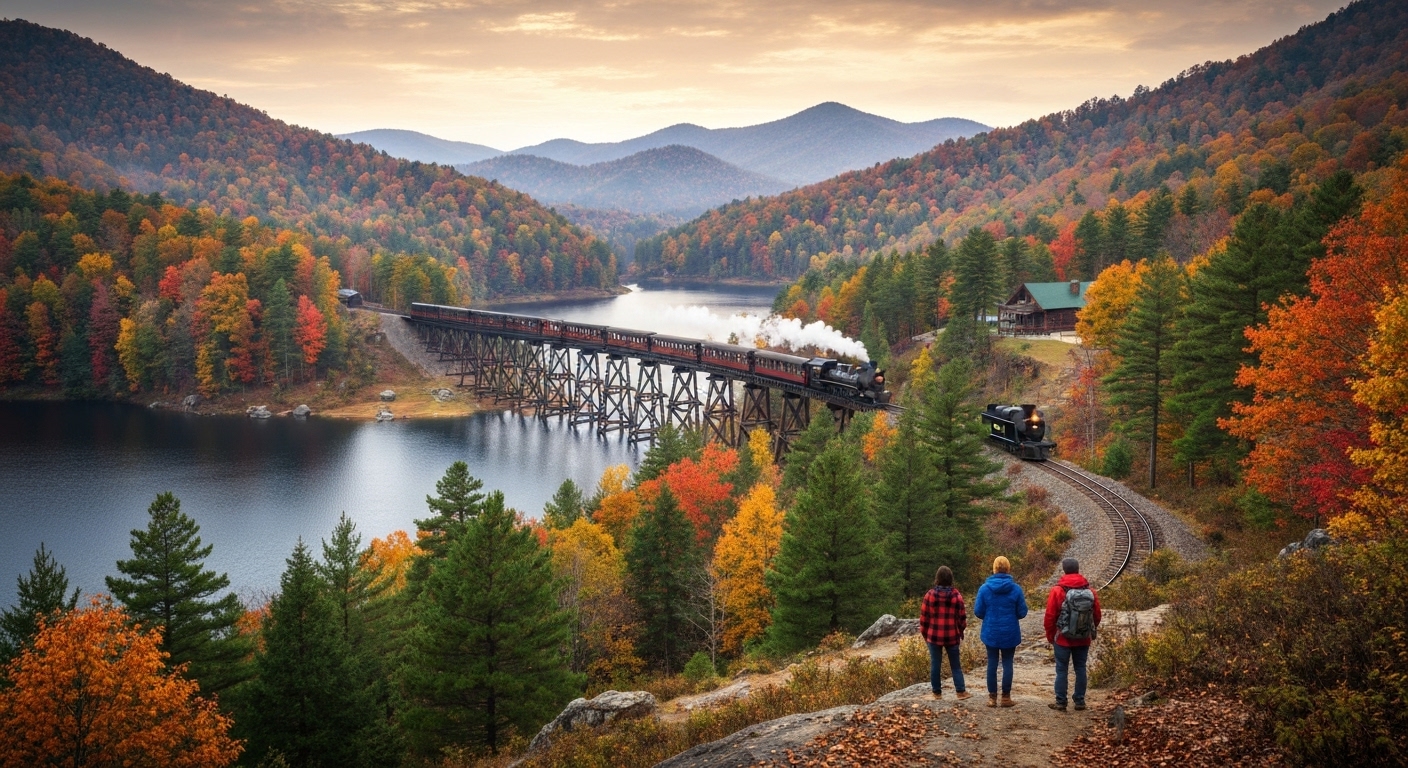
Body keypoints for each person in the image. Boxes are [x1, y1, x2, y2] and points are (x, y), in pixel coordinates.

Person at [1044, 557, 1103, 712]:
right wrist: (1087, 630)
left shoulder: (1057, 590)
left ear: (1064, 570)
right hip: (1083, 639)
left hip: (1062, 639)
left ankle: (1061, 702)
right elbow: (1097, 615)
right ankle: (1080, 701)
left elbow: (1050, 616)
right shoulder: (1090, 591)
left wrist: (1051, 636)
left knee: (1061, 669)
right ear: (1078, 569)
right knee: (1080, 668)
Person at [973, 555, 1027, 708]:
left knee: (992, 663)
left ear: (994, 569)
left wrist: (989, 617)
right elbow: (1022, 612)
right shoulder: (1016, 589)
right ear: (1008, 568)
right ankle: (1005, 697)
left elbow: (978, 611)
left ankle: (992, 698)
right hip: (1010, 632)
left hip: (991, 631)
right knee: (1008, 663)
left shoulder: (984, 589)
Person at [919, 566, 971, 700]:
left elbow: (924, 619)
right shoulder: (956, 595)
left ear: (937, 579)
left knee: (935, 664)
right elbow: (962, 618)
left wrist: (926, 635)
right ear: (950, 579)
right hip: (952, 636)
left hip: (934, 636)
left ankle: (936, 693)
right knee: (955, 665)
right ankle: (961, 692)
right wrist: (960, 631)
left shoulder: (929, 595)